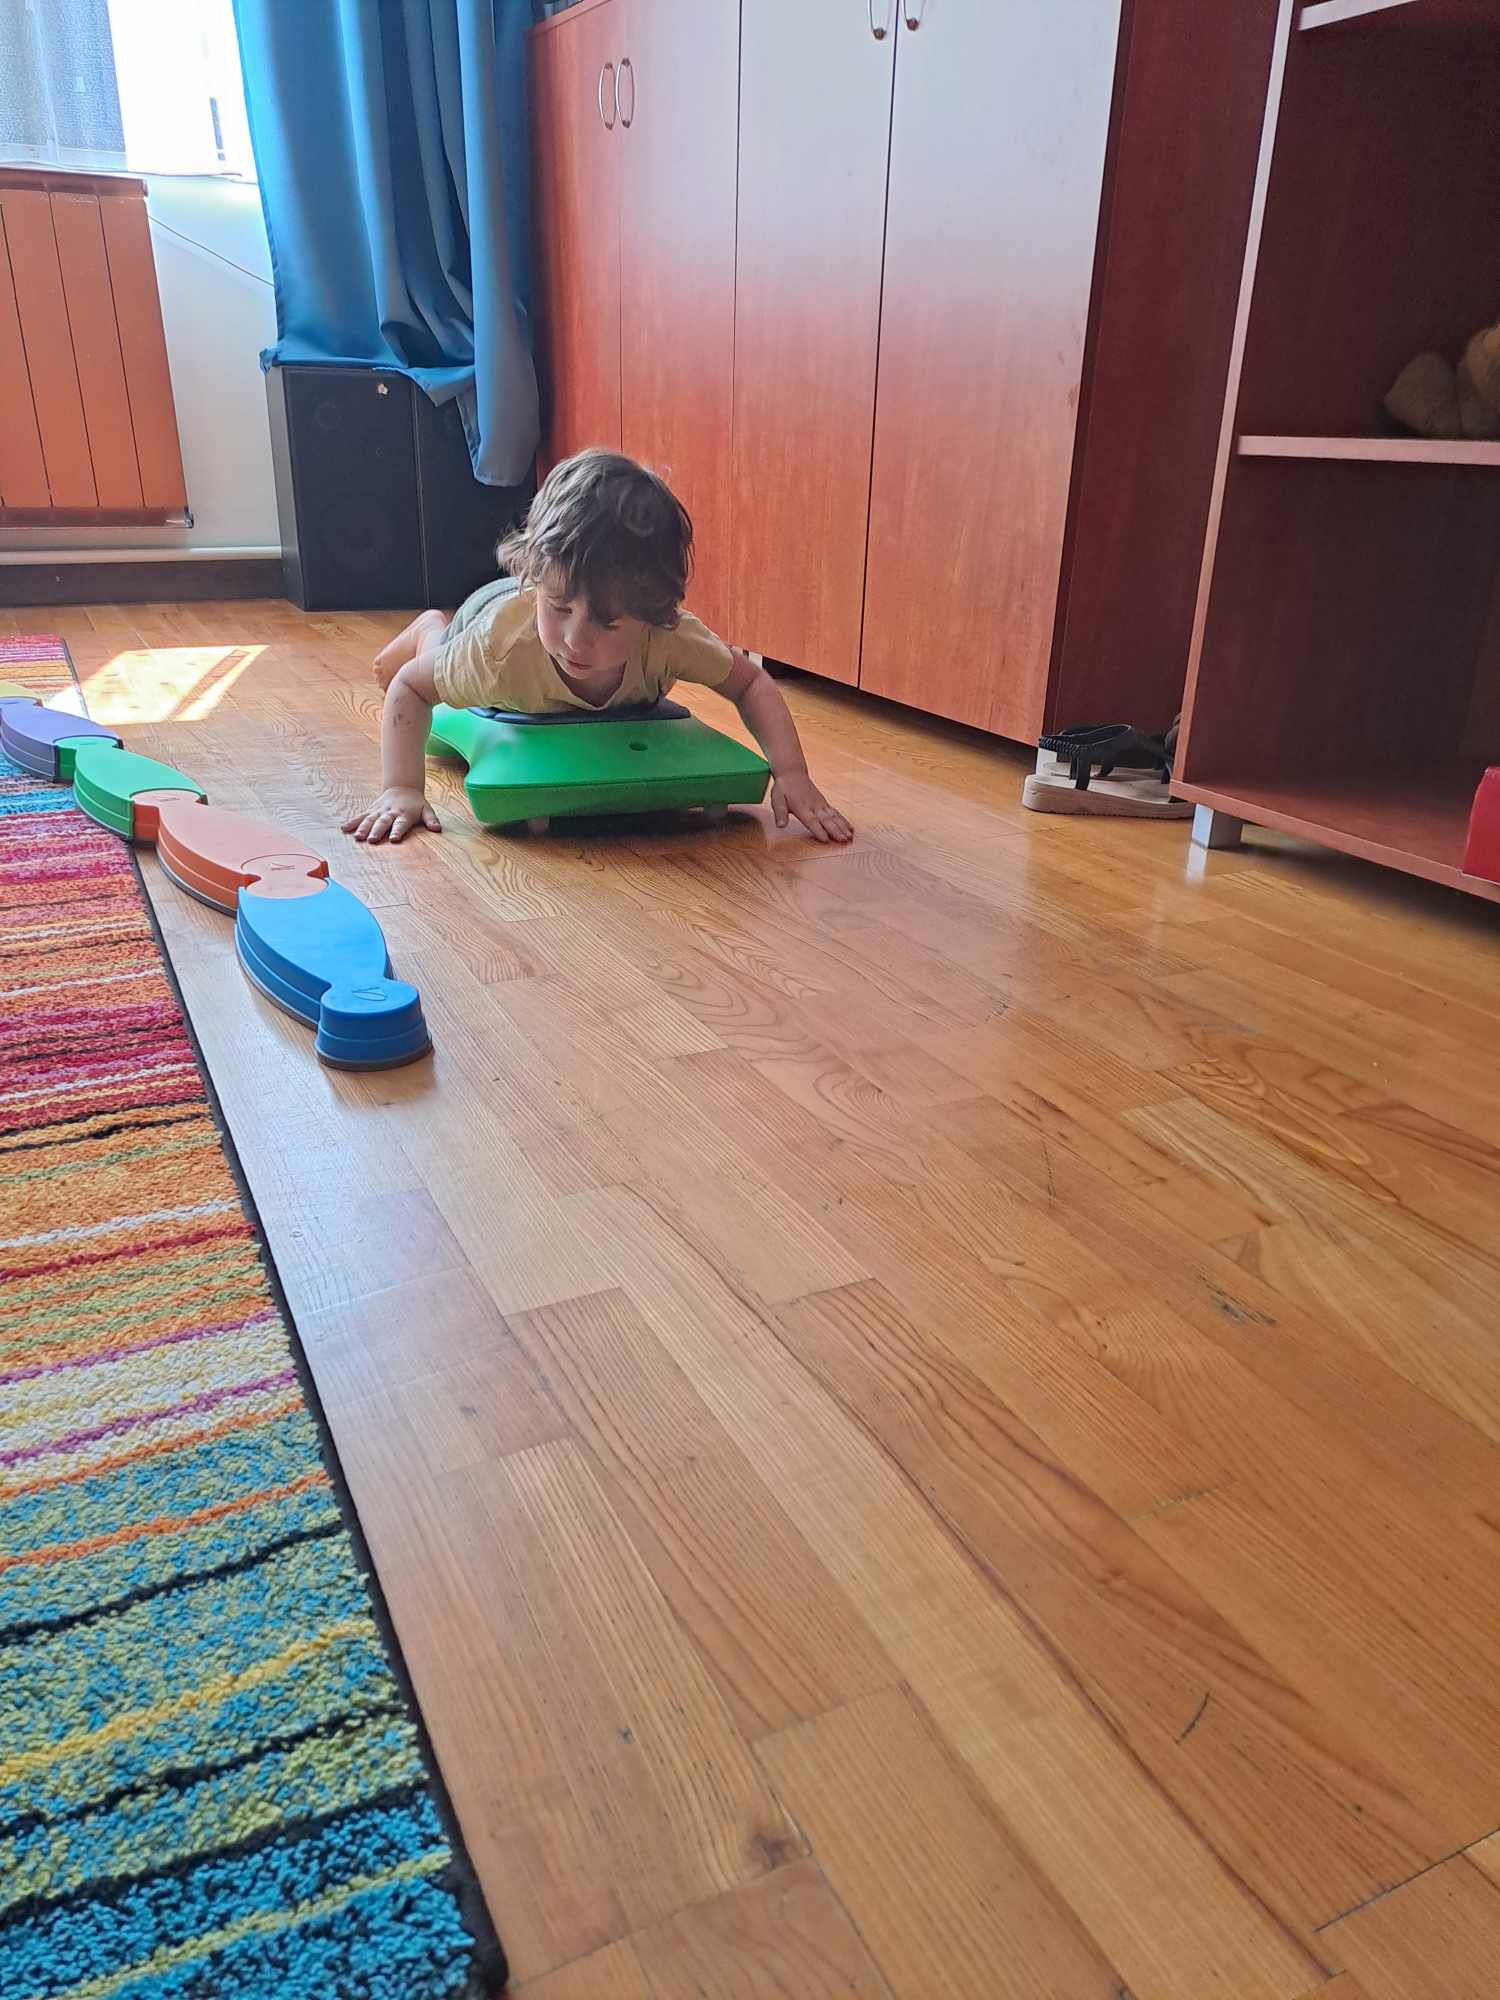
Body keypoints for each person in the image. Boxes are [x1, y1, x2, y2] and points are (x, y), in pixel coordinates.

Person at [343, 448, 854, 846]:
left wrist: (792, 773)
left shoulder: (669, 637)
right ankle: (428, 627)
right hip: (485, 613)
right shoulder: (497, 648)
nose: (575, 639)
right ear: (536, 578)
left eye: (608, 624)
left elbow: (750, 681)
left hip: (531, 607)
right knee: (439, 652)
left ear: (653, 615)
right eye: (560, 608)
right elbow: (411, 688)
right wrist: (402, 788)